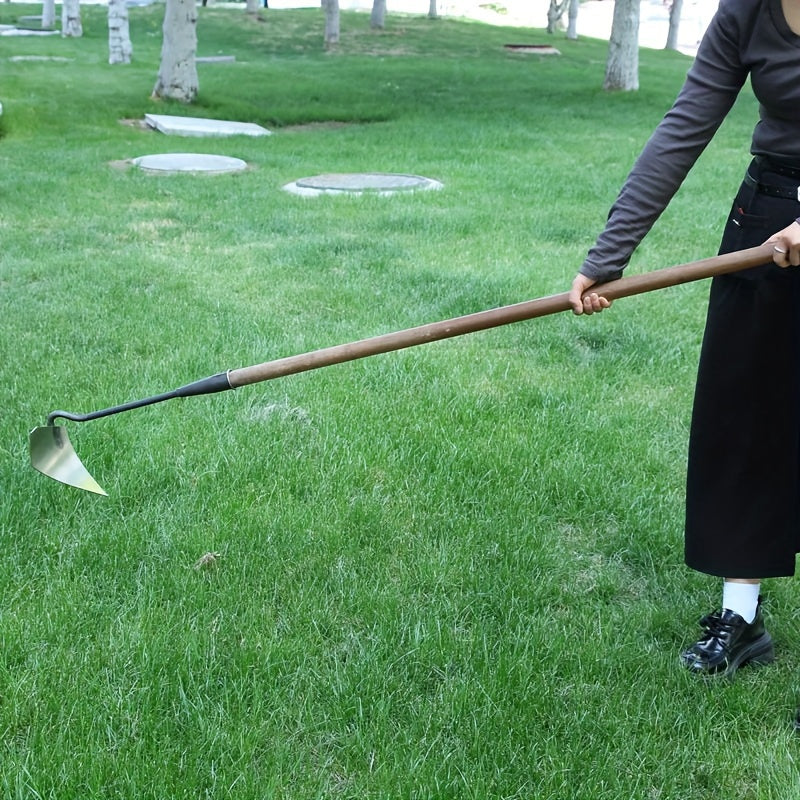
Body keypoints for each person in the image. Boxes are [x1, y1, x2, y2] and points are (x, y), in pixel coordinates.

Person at [567, 0, 800, 723]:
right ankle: (741, 621)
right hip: (766, 219)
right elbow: (683, 126)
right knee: (745, 418)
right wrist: (608, 257)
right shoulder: (747, 10)